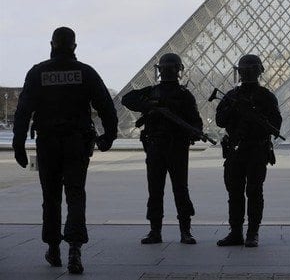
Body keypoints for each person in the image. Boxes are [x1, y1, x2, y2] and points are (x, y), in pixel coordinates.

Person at [12, 27, 118, 275]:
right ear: (74, 47)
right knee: (75, 195)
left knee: (50, 197)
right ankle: (75, 250)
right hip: (76, 143)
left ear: (52, 44)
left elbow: (23, 111)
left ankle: (53, 248)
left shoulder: (38, 72)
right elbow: (106, 106)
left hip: (47, 142)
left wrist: (18, 144)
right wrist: (109, 137)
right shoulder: (86, 73)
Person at [121, 53, 202, 245]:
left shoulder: (178, 94)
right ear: (179, 70)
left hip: (170, 146)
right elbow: (126, 99)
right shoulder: (158, 93)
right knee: (170, 190)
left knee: (166, 190)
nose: (168, 71)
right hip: (162, 147)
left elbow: (195, 123)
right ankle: (173, 231)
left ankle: (165, 231)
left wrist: (194, 131)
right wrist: (150, 106)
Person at [215, 54, 282, 247]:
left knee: (253, 191)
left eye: (249, 70)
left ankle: (252, 232)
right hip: (236, 149)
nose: (247, 74)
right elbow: (220, 120)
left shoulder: (266, 97)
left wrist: (255, 116)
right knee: (235, 193)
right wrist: (235, 110)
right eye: (246, 70)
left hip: (256, 149)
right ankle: (236, 232)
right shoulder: (231, 96)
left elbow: (276, 126)